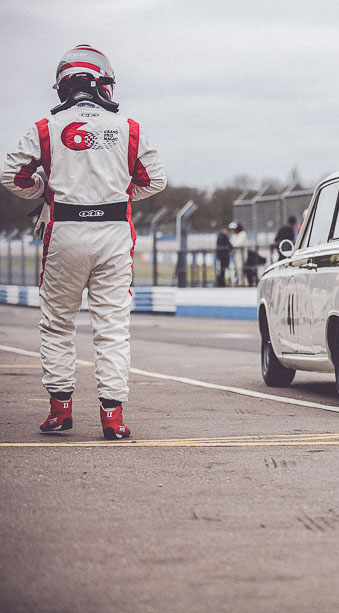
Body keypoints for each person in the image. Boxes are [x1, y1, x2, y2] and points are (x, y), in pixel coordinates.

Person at [0, 44, 166, 439]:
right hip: (114, 234)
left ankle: (60, 411)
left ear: (64, 85)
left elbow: (12, 175)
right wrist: (118, 195)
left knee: (58, 324)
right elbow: (155, 180)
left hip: (65, 232)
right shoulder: (129, 127)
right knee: (112, 328)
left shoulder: (45, 127)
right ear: (102, 82)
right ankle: (113, 417)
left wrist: (43, 189)